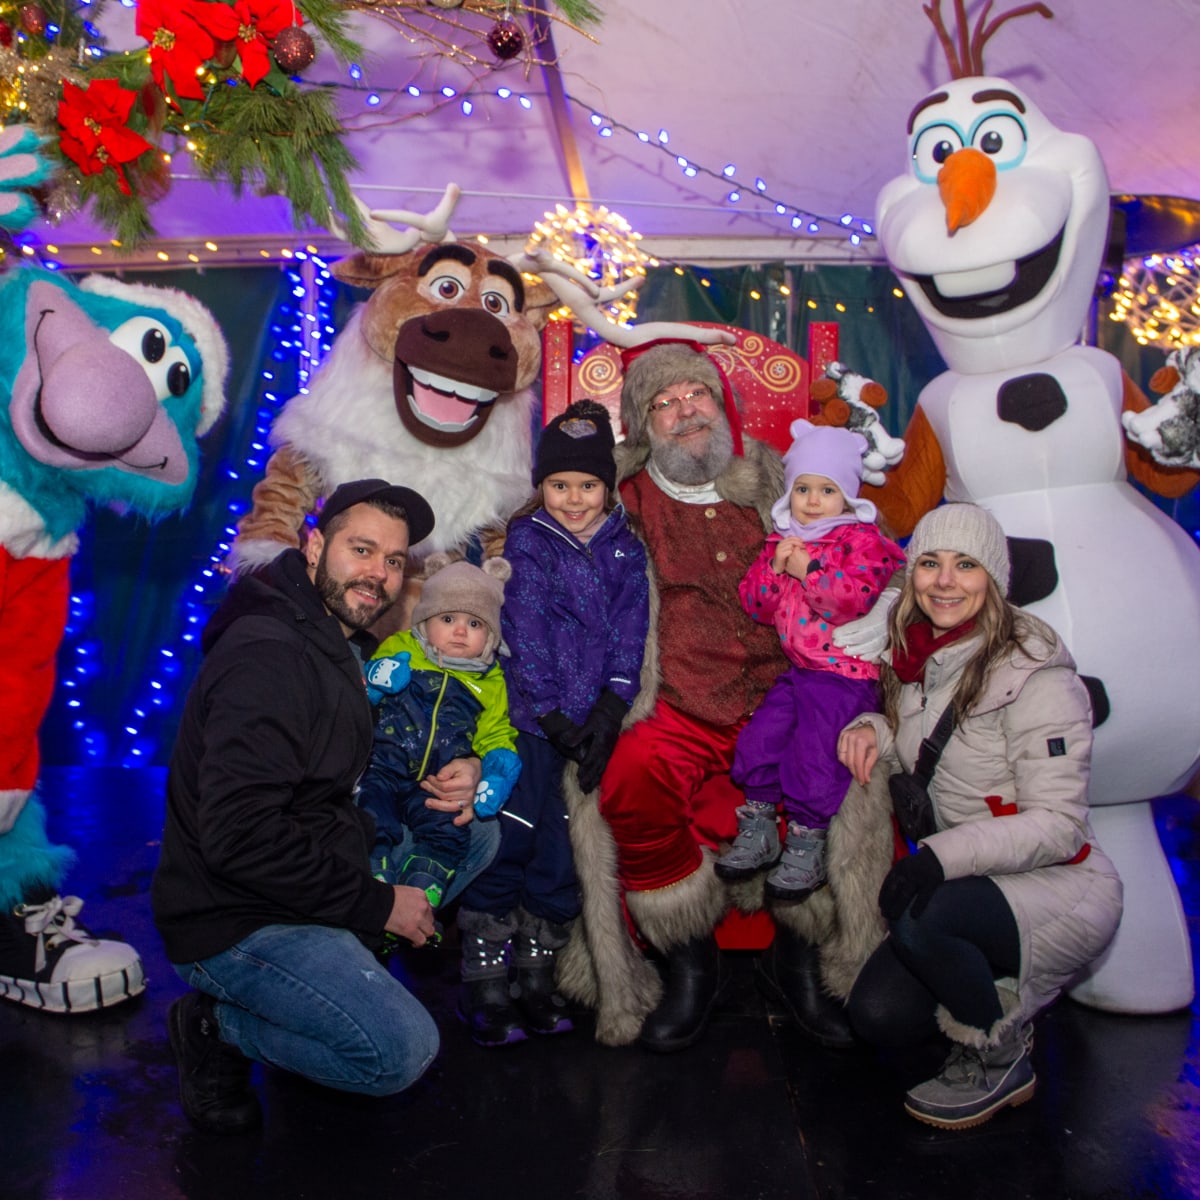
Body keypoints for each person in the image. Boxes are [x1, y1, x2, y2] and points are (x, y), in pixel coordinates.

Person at [556, 340, 878, 1054]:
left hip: (789, 691)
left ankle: (798, 961)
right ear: (642, 425)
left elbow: (863, 554)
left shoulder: (778, 478)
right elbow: (538, 540)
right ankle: (688, 958)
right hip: (674, 699)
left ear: (720, 403)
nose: (682, 413)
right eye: (661, 404)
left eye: (694, 395)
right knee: (628, 774)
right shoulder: (616, 493)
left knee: (837, 777)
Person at [152, 479, 492, 1135]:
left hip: (311, 864)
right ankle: (217, 1027)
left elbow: (372, 764)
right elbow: (242, 840)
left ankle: (342, 968)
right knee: (399, 1053)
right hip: (234, 919)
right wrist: (378, 903)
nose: (380, 575)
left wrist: (464, 762)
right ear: (314, 546)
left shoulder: (333, 636)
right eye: (362, 550)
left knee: (470, 834)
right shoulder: (269, 657)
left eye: (395, 561)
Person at [836, 503, 1123, 1130]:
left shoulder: (1038, 677)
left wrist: (938, 858)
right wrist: (872, 727)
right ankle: (985, 971)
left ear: (993, 578)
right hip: (972, 875)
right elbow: (928, 737)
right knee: (878, 1015)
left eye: (966, 565)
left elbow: (1060, 824)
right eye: (930, 564)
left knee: (920, 915)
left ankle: (1000, 1052)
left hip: (1060, 885)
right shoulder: (919, 655)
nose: (945, 580)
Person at [455, 400, 650, 1047]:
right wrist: (552, 715)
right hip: (531, 726)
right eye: (560, 484)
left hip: (589, 729)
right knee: (510, 840)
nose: (573, 498)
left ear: (606, 485)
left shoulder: (625, 549)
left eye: (586, 485)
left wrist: (611, 708)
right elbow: (526, 631)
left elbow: (630, 633)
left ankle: (538, 973)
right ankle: (487, 976)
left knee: (562, 853)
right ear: (543, 485)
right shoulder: (530, 542)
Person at [719, 419, 905, 898]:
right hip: (801, 672)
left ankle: (807, 839)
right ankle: (758, 826)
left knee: (815, 754)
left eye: (827, 489)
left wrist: (810, 568)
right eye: (803, 488)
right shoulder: (780, 541)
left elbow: (847, 600)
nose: (813, 500)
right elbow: (756, 605)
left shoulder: (863, 542)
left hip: (845, 676)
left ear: (846, 495)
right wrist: (777, 568)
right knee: (760, 740)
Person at [358, 555, 520, 914]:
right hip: (385, 764)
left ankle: (424, 885)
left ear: (490, 636)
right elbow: (365, 686)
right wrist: (380, 677)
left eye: (475, 623)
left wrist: (496, 770)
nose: (460, 631)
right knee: (371, 813)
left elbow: (496, 733)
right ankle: (373, 875)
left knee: (450, 829)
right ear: (426, 621)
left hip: (435, 783)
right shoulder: (403, 649)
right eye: (448, 619)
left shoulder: (489, 681)